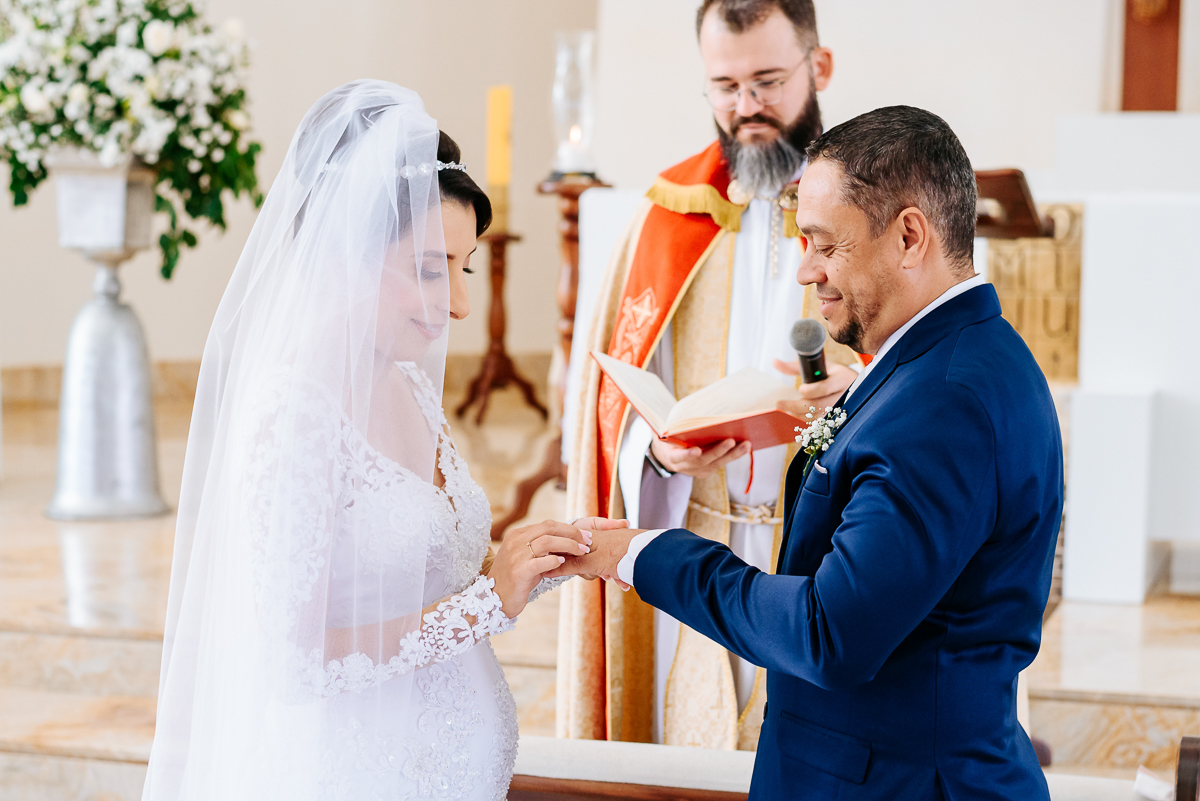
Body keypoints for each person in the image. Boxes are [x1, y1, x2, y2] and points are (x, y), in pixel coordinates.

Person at [555, 106, 1063, 800]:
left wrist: (646, 553)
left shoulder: (941, 400)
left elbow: (830, 633)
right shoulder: (951, 360)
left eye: (824, 244)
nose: (806, 271)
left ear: (909, 235)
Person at [142, 80, 616, 801]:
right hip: (359, 773)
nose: (457, 303)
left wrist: (536, 561)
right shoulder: (292, 414)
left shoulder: (408, 383)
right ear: (344, 252)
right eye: (430, 269)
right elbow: (294, 661)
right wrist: (490, 601)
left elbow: (419, 568)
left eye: (464, 268)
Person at [562, 0, 861, 750]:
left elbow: (928, 375)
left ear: (818, 67)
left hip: (826, 555)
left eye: (766, 80)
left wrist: (860, 395)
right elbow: (614, 407)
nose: (746, 107)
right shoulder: (668, 213)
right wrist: (657, 455)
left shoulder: (873, 208)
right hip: (697, 539)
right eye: (724, 86)